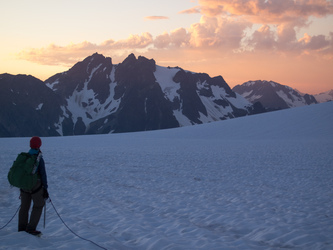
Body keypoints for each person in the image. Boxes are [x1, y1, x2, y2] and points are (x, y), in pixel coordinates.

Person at [18, 136, 49, 235]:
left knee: (24, 207)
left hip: (24, 186)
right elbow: (43, 174)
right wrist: (45, 188)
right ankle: (31, 228)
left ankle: (22, 228)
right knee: (39, 205)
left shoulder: (25, 156)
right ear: (39, 145)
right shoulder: (39, 158)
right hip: (36, 186)